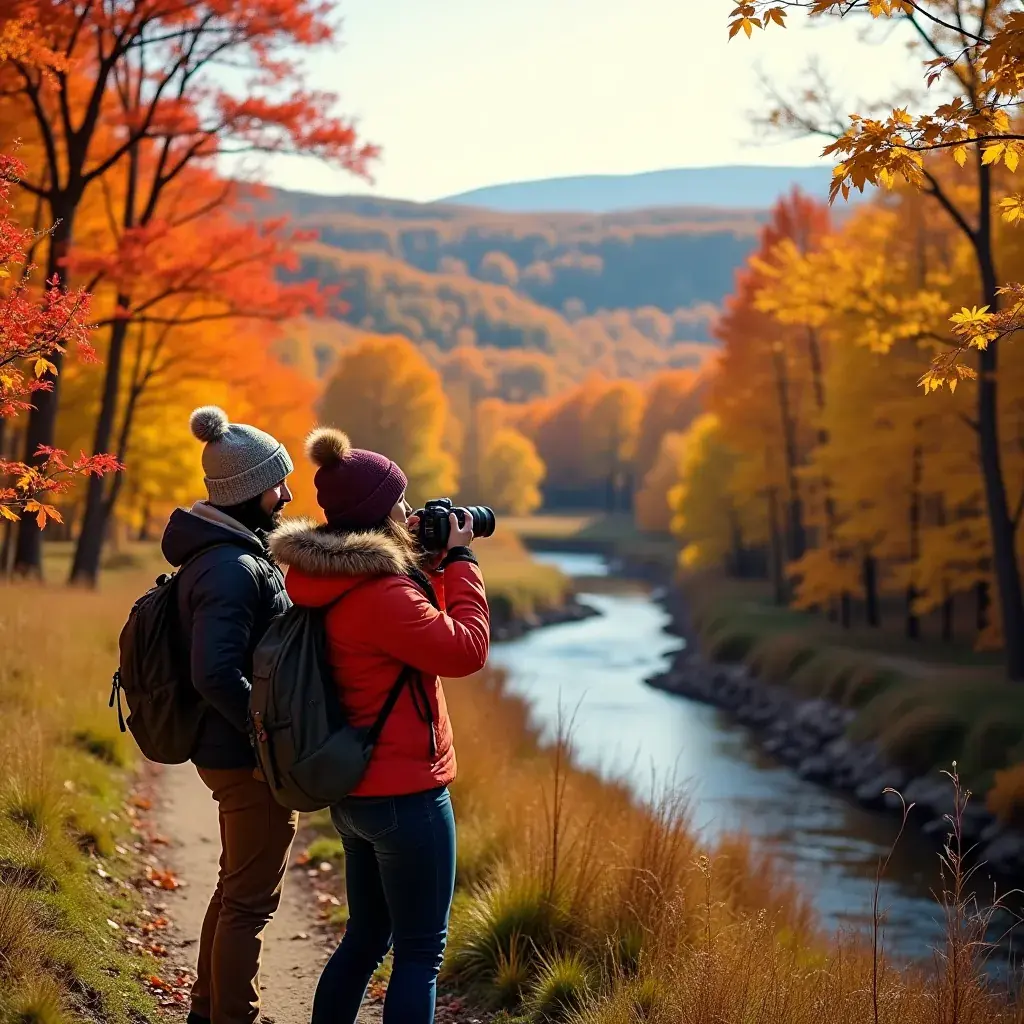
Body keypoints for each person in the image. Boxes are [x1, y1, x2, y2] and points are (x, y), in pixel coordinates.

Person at [268, 427, 490, 1024]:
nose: (411, 512)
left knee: (365, 940)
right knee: (420, 952)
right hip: (408, 793)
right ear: (376, 514)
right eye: (401, 502)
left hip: (355, 789)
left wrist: (433, 568)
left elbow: (410, 631)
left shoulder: (325, 579)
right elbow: (465, 649)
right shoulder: (384, 592)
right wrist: (464, 564)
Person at [160, 405, 297, 1024]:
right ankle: (232, 1016)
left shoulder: (224, 554)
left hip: (233, 751)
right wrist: (264, 732)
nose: (286, 494)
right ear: (248, 490)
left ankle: (208, 1008)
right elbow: (214, 670)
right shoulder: (232, 567)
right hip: (243, 758)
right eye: (277, 483)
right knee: (250, 899)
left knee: (235, 884)